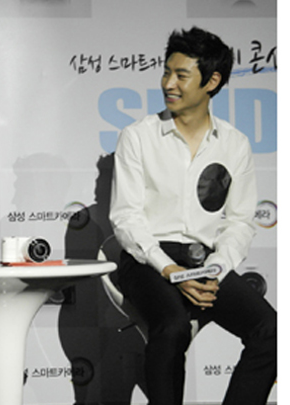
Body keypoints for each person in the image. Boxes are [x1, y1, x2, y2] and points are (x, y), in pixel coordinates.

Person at [109, 27, 276, 405]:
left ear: (211, 82)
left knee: (272, 331)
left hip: (206, 262)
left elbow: (240, 222)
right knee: (173, 327)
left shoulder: (235, 144)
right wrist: (171, 271)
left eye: (181, 75)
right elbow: (127, 219)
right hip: (149, 261)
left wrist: (216, 269)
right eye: (166, 72)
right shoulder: (138, 136)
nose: (168, 83)